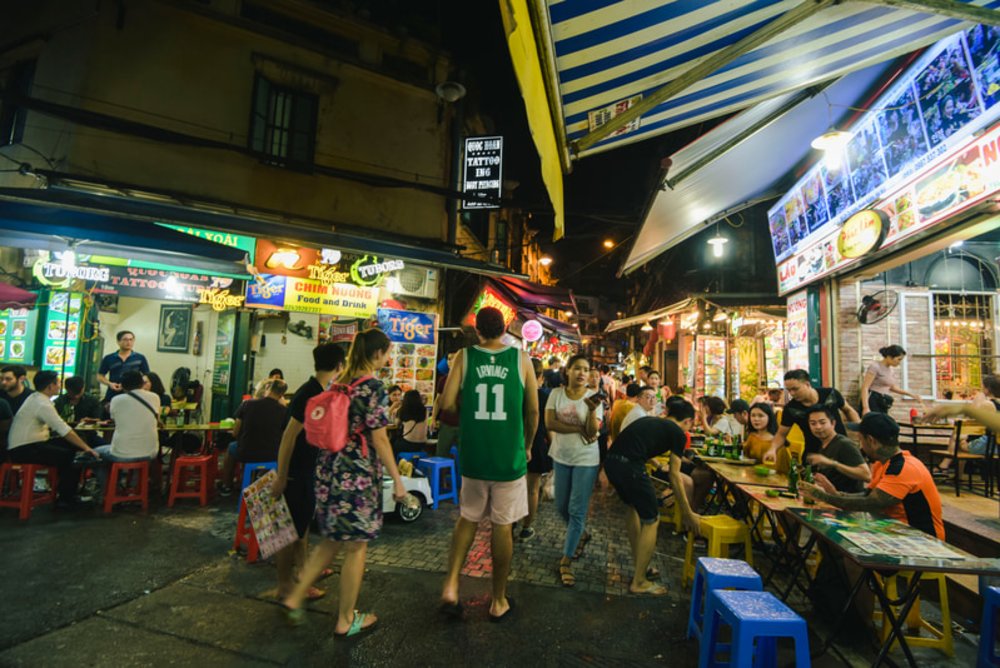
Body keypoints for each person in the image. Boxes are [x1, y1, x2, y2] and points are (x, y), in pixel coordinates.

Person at [281, 329, 408, 635]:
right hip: (356, 474)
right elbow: (379, 438)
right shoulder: (373, 387)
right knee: (356, 546)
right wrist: (398, 481)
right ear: (377, 354)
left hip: (327, 468)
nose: (388, 359)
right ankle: (346, 619)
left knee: (331, 539)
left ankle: (296, 595)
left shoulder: (340, 383)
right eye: (387, 353)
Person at [439, 307, 539, 620]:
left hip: (474, 456)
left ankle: (452, 585)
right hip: (509, 457)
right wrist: (528, 446)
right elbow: (533, 411)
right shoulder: (521, 359)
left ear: (477, 330)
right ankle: (498, 600)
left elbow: (446, 402)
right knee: (502, 526)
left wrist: (464, 407)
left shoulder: (464, 357)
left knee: (467, 518)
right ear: (505, 328)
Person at [270, 343, 347, 602]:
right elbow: (288, 437)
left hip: (305, 471)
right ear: (339, 366)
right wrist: (282, 476)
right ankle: (284, 585)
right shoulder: (309, 394)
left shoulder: (316, 390)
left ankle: (302, 575)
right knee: (289, 532)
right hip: (296, 473)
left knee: (300, 529)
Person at [606, 401, 702, 596]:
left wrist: (657, 465)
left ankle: (640, 567)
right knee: (652, 519)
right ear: (689, 421)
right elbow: (675, 476)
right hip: (630, 467)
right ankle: (639, 581)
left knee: (632, 508)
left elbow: (638, 445)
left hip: (611, 463)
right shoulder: (678, 433)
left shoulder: (652, 421)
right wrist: (687, 512)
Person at [800, 413, 943, 540]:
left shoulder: (903, 468)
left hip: (920, 539)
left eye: (860, 440)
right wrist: (836, 493)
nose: (860, 446)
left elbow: (871, 503)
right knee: (831, 535)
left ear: (871, 440)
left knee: (838, 538)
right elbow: (867, 494)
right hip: (893, 531)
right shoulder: (882, 464)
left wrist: (823, 496)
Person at [546, 353, 603, 588]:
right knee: (561, 506)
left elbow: (591, 432)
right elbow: (550, 423)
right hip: (561, 456)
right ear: (567, 371)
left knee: (576, 510)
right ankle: (581, 534)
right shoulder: (556, 394)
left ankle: (566, 561)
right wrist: (578, 426)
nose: (582, 373)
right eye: (577, 368)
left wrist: (590, 412)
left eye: (586, 369)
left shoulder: (594, 398)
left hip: (586, 460)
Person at [7, 371, 100, 509]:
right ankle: (66, 499)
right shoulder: (42, 403)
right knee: (69, 455)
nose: (59, 385)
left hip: (31, 445)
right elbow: (63, 429)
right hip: (24, 449)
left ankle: (68, 491)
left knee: (72, 447)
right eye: (57, 382)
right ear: (50, 386)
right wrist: (87, 448)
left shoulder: (36, 398)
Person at [764, 370, 860, 462]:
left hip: (841, 448)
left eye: (795, 389)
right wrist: (772, 449)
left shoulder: (830, 393)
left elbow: (849, 410)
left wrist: (861, 434)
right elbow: (781, 434)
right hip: (813, 453)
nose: (792, 393)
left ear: (807, 384)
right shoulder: (791, 409)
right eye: (789, 390)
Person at [94, 370, 160, 495]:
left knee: (95, 453)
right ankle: (134, 490)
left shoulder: (116, 400)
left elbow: (114, 419)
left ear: (122, 385)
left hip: (122, 453)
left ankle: (109, 492)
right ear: (141, 383)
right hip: (150, 452)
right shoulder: (155, 397)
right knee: (136, 452)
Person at [218, 380, 289, 495]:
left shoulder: (247, 404)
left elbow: (235, 432)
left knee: (231, 447)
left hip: (246, 452)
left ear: (267, 388)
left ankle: (226, 485)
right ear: (282, 395)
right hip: (272, 454)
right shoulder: (284, 411)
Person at [804, 406, 871, 493]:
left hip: (848, 501)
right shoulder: (822, 445)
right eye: (813, 423)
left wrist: (833, 463)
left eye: (822, 422)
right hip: (829, 499)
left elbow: (866, 475)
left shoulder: (844, 444)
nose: (818, 427)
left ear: (833, 423)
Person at [521, 357, 551, 542]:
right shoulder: (544, 396)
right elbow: (548, 425)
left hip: (514, 443)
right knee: (532, 489)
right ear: (539, 376)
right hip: (536, 444)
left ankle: (509, 523)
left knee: (514, 487)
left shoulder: (516, 392)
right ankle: (527, 527)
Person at [860, 345, 923, 415]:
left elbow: (892, 387)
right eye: (899, 359)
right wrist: (865, 407)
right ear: (889, 357)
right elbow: (865, 387)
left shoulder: (891, 370)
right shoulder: (875, 367)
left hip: (883, 401)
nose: (899, 362)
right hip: (872, 399)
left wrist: (912, 395)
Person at [97, 331, 150, 403]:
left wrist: (140, 387)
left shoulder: (140, 358)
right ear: (118, 342)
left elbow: (147, 376)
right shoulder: (109, 358)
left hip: (133, 394)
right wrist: (110, 384)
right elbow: (100, 376)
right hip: (113, 393)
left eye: (131, 340)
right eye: (125, 340)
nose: (128, 342)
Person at [431, 351, 461, 457]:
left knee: (465, 457)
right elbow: (438, 401)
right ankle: (441, 474)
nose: (450, 361)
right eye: (448, 359)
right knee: (441, 454)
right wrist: (433, 418)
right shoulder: (443, 380)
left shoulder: (468, 379)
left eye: (453, 358)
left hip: (463, 424)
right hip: (446, 423)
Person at [394, 390, 428, 455]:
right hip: (422, 443)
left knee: (393, 443)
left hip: (408, 443)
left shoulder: (403, 410)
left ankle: (396, 463)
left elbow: (397, 424)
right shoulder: (424, 410)